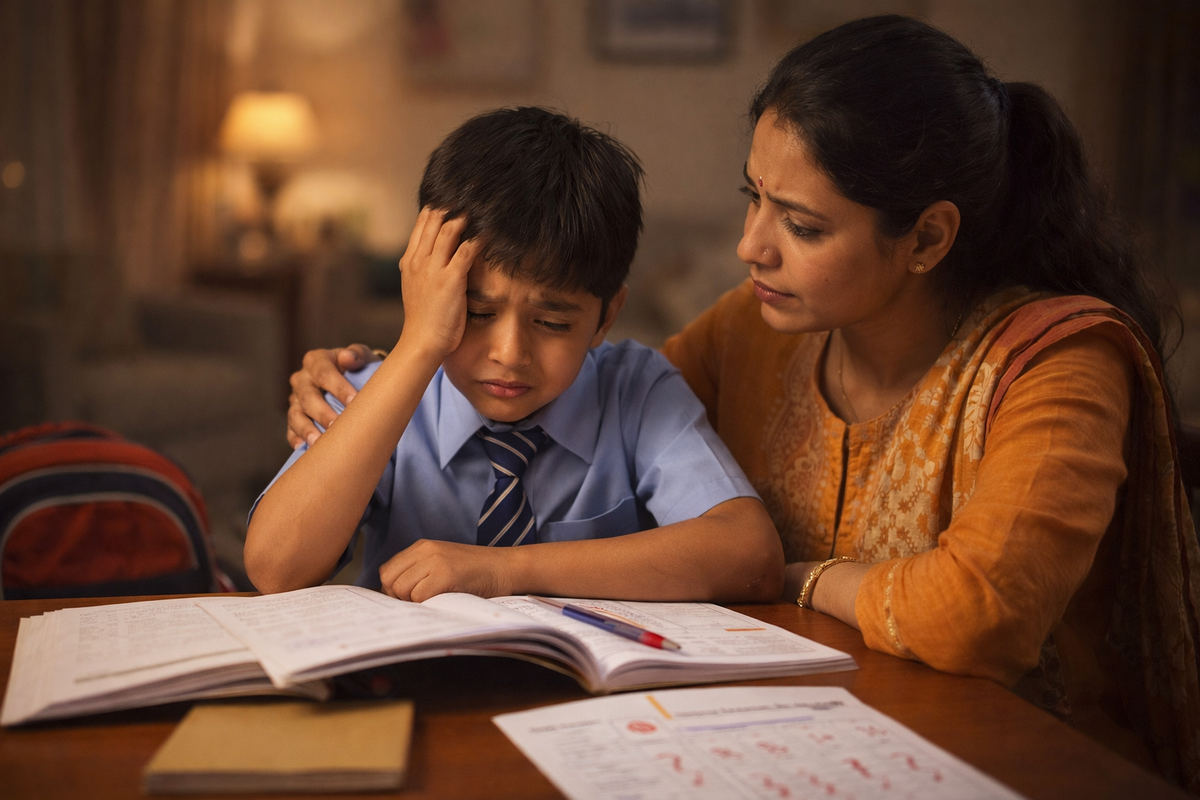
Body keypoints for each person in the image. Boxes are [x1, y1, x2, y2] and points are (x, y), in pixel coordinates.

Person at [286, 17, 1200, 791]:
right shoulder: (751, 331)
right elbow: (575, 396)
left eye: (800, 226)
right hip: (783, 734)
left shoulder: (1057, 363)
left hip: (1013, 757)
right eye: (752, 199)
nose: (748, 247)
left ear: (926, 236)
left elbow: (974, 616)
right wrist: (380, 380)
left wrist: (794, 577)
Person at [245, 107, 782, 603]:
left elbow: (750, 554)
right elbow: (275, 569)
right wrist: (419, 341)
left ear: (606, 315)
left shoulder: (635, 390)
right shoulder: (369, 390)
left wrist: (506, 570)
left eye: (552, 323)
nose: (509, 354)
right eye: (474, 313)